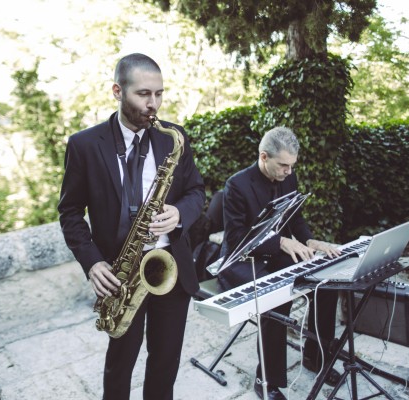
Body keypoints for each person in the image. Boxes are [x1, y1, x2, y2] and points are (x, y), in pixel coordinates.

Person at [58, 53, 205, 400]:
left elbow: (198, 191)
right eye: (143, 94)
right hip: (120, 274)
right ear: (117, 91)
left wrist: (179, 213)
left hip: (169, 267)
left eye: (159, 94)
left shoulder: (174, 137)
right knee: (121, 364)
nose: (153, 104)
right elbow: (70, 212)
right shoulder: (85, 145)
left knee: (166, 362)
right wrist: (92, 262)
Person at [217, 127, 342, 400]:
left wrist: (310, 242)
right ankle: (267, 382)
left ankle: (315, 357)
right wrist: (282, 243)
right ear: (264, 157)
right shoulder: (237, 185)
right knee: (277, 298)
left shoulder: (288, 175)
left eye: (292, 166)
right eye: (283, 165)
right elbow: (237, 238)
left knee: (325, 280)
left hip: (273, 254)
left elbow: (295, 218)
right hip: (241, 260)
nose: (288, 171)